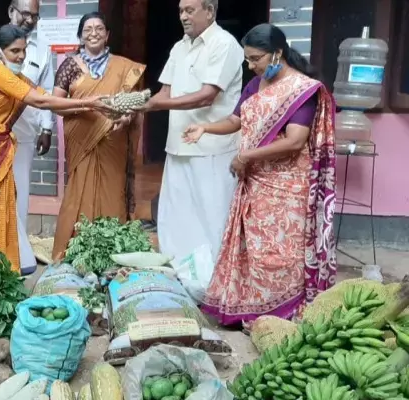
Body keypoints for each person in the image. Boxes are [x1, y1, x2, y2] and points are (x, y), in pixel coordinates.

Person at [186, 24, 336, 328]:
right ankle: (252, 309)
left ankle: (282, 312)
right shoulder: (256, 85)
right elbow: (235, 120)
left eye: (256, 59)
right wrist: (205, 128)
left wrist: (245, 156)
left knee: (280, 252)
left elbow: (294, 141)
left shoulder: (301, 90)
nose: (251, 66)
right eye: (248, 60)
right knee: (251, 249)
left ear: (277, 53)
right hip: (253, 182)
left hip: (287, 184)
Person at [0, 24, 112, 272]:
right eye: (14, 51)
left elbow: (50, 102)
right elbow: (39, 100)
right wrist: (88, 102)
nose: (21, 56)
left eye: (23, 50)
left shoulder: (17, 78)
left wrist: (92, 106)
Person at [144, 0, 244, 266]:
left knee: (211, 217)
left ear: (210, 11)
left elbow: (206, 96)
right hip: (178, 145)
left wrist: (155, 104)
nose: (183, 17)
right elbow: (164, 93)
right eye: (180, 11)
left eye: (190, 10)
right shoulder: (179, 47)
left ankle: (213, 281)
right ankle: (181, 276)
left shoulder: (225, 44)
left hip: (211, 148)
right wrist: (134, 108)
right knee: (176, 216)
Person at [0, 0, 54, 275]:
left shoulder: (43, 48)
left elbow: (46, 91)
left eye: (35, 16)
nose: (29, 20)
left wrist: (47, 128)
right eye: (25, 13)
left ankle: (16, 251)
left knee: (19, 195)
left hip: (24, 135)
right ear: (11, 11)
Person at [51, 12, 146, 259]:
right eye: (88, 29)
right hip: (81, 140)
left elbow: (134, 107)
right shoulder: (69, 66)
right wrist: (88, 106)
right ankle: (75, 250)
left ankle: (112, 251)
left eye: (99, 28)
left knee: (112, 191)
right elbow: (55, 104)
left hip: (114, 141)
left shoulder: (124, 67)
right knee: (78, 191)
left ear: (107, 35)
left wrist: (124, 118)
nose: (93, 33)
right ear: (80, 37)